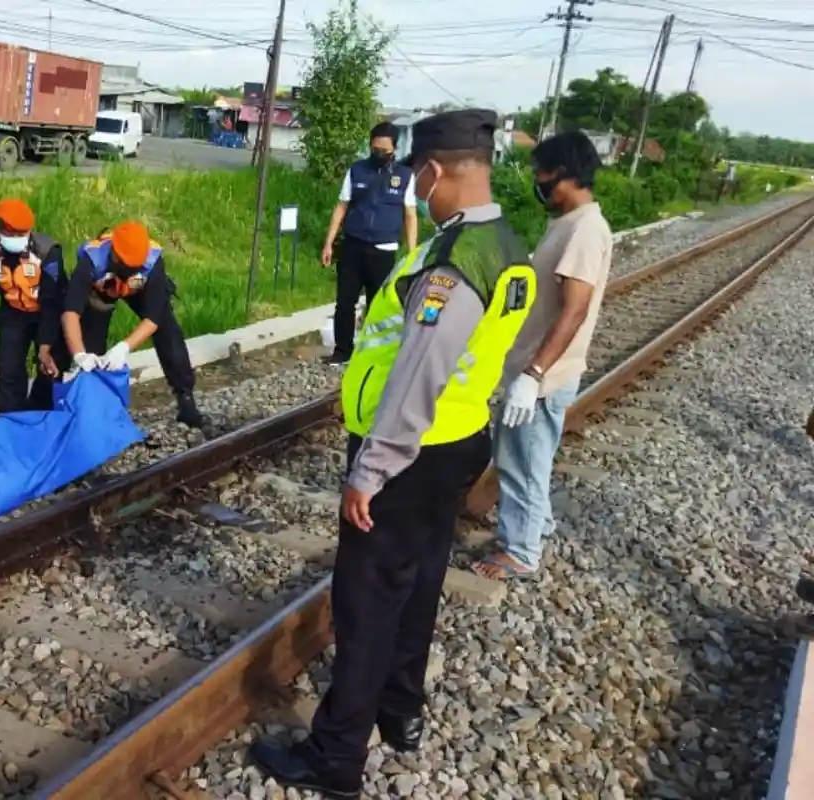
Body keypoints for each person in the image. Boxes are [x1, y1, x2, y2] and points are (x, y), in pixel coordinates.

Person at [249, 109, 537, 799]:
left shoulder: (453, 263)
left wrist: (370, 469)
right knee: (419, 583)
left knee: (367, 603)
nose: (417, 192)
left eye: (419, 180)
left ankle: (337, 757)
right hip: (462, 443)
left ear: (435, 170)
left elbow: (418, 373)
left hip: (410, 454)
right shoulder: (507, 243)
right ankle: (400, 714)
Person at [472, 131, 613, 581]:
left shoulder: (586, 231)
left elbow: (575, 310)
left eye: (543, 177)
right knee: (528, 458)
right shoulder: (570, 223)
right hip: (536, 368)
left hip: (544, 374)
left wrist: (533, 374)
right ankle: (538, 525)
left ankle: (521, 551)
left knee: (521, 464)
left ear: (568, 176)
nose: (538, 185)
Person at [61, 220, 205, 428]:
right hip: (102, 290)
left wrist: (124, 347)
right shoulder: (92, 261)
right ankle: (93, 410)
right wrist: (79, 355)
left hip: (138, 289)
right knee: (92, 344)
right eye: (127, 266)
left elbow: (153, 318)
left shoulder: (153, 262)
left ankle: (185, 397)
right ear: (115, 254)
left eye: (135, 267)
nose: (130, 269)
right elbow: (71, 312)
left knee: (169, 332)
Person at [319, 121, 419, 365]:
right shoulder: (357, 170)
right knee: (345, 301)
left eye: (384, 151)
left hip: (384, 251)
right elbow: (342, 206)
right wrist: (328, 243)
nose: (379, 155)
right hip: (353, 246)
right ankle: (343, 351)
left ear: (394, 149)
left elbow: (410, 215)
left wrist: (412, 253)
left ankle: (370, 354)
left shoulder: (405, 176)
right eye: (375, 149)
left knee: (377, 306)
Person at [0, 198, 71, 413]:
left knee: (51, 368)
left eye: (22, 234)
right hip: (13, 313)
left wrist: (46, 344)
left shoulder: (48, 252)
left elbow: (52, 300)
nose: (17, 239)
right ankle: (8, 418)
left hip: (47, 314)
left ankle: (40, 413)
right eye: (11, 234)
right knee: (8, 369)